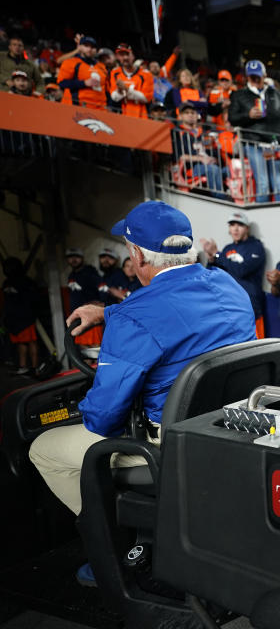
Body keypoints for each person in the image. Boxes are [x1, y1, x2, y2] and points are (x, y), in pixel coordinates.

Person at [29, 200, 254, 521]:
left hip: (168, 440)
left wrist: (82, 410)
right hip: (232, 423)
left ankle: (109, 540)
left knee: (44, 448)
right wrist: (107, 312)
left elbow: (104, 418)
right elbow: (175, 310)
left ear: (136, 255)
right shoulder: (227, 284)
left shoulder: (134, 318)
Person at [227, 60, 280, 202]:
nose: (255, 79)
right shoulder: (239, 95)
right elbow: (232, 119)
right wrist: (247, 115)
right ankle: (264, 219)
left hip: (274, 143)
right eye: (251, 76)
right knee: (263, 183)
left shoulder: (275, 93)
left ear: (264, 75)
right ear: (247, 77)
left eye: (258, 76)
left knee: (279, 183)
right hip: (254, 142)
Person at [199, 211, 266, 338]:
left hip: (251, 308)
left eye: (239, 225)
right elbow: (212, 274)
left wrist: (217, 254)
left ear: (247, 228)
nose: (235, 229)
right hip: (230, 308)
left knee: (257, 349)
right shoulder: (227, 249)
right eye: (232, 225)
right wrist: (211, 259)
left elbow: (242, 270)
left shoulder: (256, 247)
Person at [172, 101, 228, 199]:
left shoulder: (204, 132)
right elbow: (180, 156)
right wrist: (201, 159)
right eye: (187, 113)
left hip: (211, 165)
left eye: (192, 113)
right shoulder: (177, 132)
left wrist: (214, 158)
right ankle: (221, 198)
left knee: (231, 170)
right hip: (191, 169)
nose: (190, 115)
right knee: (212, 169)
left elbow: (214, 150)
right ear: (180, 116)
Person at [2, 257, 40, 375]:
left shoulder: (26, 282)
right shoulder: (6, 283)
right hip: (13, 320)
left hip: (26, 318)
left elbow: (33, 300)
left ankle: (35, 367)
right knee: (20, 343)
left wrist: (30, 314)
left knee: (31, 341)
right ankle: (23, 366)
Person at [65, 248, 103, 347]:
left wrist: (100, 304)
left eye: (77, 257)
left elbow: (103, 290)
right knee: (82, 354)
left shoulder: (90, 272)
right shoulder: (72, 275)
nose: (73, 259)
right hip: (78, 320)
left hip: (91, 319)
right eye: (70, 257)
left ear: (82, 258)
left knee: (95, 352)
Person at [56, 36, 106, 109]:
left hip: (100, 109)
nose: (89, 49)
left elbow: (106, 89)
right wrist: (84, 83)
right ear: (79, 47)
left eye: (92, 47)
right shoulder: (71, 62)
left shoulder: (102, 67)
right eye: (86, 46)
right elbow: (62, 83)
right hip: (78, 107)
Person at [108, 43, 152, 118]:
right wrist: (120, 91)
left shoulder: (146, 74)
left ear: (133, 56)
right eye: (121, 55)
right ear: (118, 57)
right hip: (121, 117)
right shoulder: (114, 73)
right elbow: (114, 97)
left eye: (127, 54)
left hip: (141, 117)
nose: (125, 58)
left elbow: (146, 98)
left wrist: (126, 89)